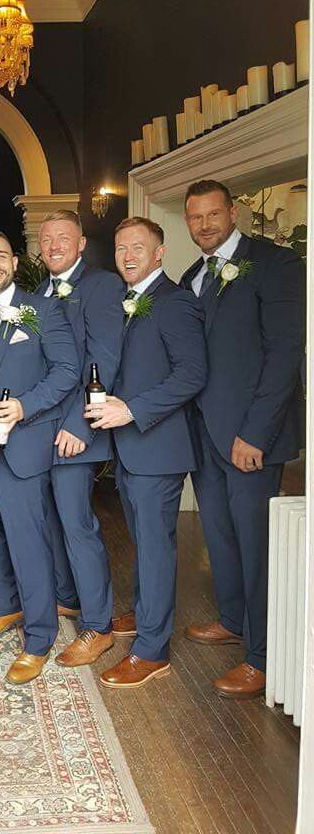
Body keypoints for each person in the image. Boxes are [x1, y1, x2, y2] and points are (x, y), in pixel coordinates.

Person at [180, 179, 304, 698]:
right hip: (203, 435)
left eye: (213, 215)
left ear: (233, 212)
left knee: (257, 546)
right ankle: (232, 620)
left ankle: (263, 655)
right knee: (221, 534)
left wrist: (255, 433)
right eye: (195, 218)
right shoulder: (191, 275)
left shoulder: (274, 264)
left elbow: (283, 356)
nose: (204, 225)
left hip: (249, 437)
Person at [86, 216, 207, 689]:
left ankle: (152, 651)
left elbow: (192, 374)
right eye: (120, 248)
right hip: (134, 449)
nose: (128, 255)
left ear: (159, 253)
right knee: (143, 544)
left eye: (138, 247)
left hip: (159, 448)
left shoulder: (175, 302)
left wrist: (132, 410)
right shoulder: (129, 300)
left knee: (155, 550)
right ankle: (141, 616)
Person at [0, 232, 79, 684]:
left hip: (24, 441)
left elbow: (67, 371)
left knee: (27, 539)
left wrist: (26, 405)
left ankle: (39, 637)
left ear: (14, 261)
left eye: (0, 256)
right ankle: (5, 607)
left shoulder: (44, 309)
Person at [35, 210, 125, 669]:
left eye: (62, 238)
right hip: (39, 433)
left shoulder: (103, 286)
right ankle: (66, 597)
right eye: (46, 238)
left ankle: (99, 627)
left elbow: (103, 360)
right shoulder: (36, 295)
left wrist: (79, 423)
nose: (53, 245)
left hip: (74, 430)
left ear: (81, 243)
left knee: (77, 524)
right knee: (50, 519)